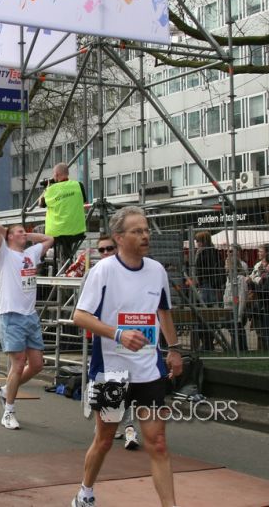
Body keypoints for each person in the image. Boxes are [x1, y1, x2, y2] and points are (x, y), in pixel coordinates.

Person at [72, 206, 183, 507]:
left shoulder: (157, 271)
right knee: (105, 440)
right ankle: (85, 492)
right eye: (137, 231)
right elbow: (80, 316)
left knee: (158, 443)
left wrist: (174, 349)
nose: (145, 235)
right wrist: (119, 334)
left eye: (146, 230)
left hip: (148, 370)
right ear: (119, 238)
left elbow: (164, 312)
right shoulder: (103, 271)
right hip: (112, 372)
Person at [0, 221, 54, 430]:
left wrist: (28, 235)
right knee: (18, 364)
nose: (24, 234)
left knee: (37, 364)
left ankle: (4, 390)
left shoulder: (31, 253)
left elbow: (50, 239)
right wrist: (7, 231)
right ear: (9, 236)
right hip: (11, 315)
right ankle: (8, 412)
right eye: (20, 232)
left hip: (30, 315)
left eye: (24, 232)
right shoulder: (4, 254)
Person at [92, 235, 141, 451]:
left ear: (117, 248)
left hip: (130, 336)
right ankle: (106, 426)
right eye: (101, 250)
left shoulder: (132, 272)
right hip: (104, 339)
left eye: (109, 248)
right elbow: (83, 310)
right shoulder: (95, 273)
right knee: (107, 384)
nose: (105, 253)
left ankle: (129, 428)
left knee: (127, 382)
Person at [38, 163, 87, 274]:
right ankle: (67, 269)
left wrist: (46, 189)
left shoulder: (51, 190)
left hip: (57, 233)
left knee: (38, 231)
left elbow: (40, 204)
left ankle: (41, 267)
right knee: (67, 253)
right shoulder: (78, 185)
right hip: (77, 230)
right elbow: (83, 200)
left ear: (56, 174)